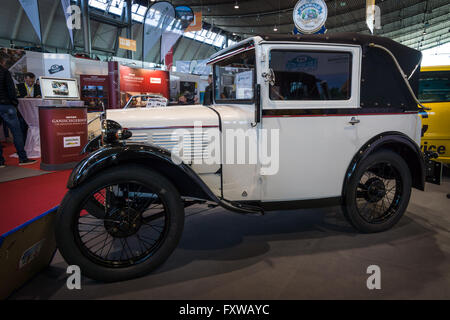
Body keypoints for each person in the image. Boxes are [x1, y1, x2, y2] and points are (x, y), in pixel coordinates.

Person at [0, 54, 36, 167]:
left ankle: (0, 161)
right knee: (17, 133)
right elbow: (11, 89)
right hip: (6, 105)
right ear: (2, 61)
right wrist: (14, 104)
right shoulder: (4, 72)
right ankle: (22, 158)